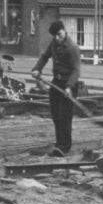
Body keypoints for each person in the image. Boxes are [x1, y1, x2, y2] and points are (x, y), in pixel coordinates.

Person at [31, 20, 81, 157]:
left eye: (59, 34)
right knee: (55, 115)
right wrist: (37, 69)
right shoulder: (54, 43)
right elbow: (44, 57)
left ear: (64, 31)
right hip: (56, 83)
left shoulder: (72, 48)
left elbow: (76, 70)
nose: (57, 38)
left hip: (69, 84)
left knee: (65, 117)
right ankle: (59, 142)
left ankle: (64, 147)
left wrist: (70, 87)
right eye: (55, 36)